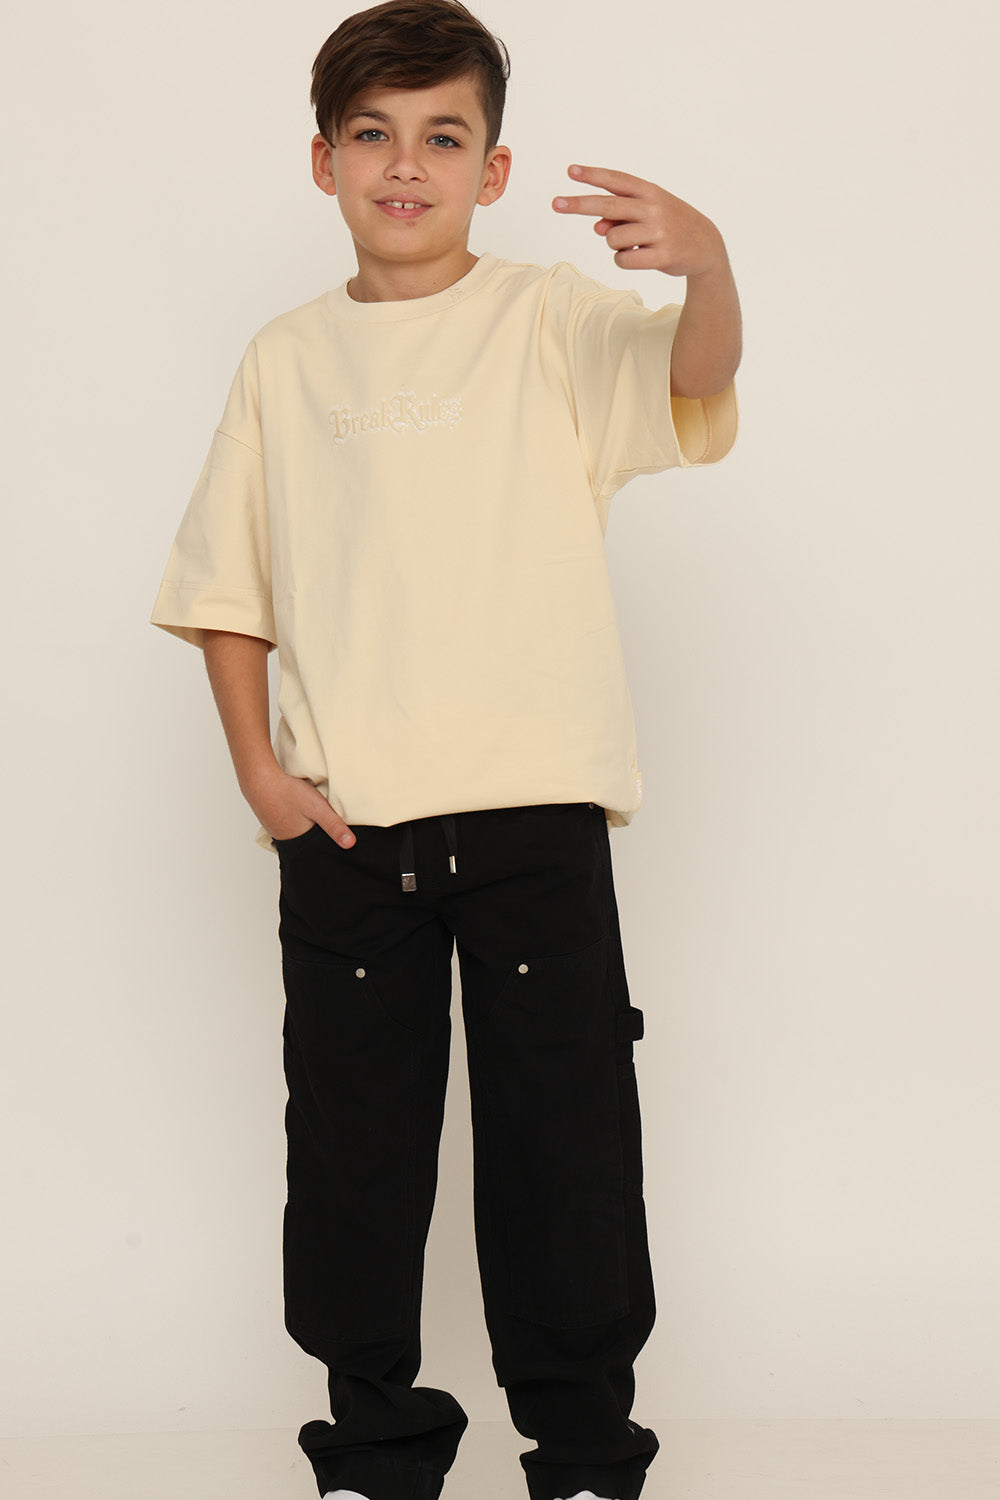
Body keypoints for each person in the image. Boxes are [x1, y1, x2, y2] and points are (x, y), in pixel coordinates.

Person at [149, 2, 741, 1498]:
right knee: (354, 1150)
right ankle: (373, 1444)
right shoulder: (285, 360)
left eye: (443, 136)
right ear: (324, 160)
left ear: (493, 168)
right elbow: (231, 586)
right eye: (374, 134)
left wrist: (710, 266)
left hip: (535, 817)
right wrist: (261, 774)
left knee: (566, 1144)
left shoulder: (548, 319)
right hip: (351, 828)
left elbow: (692, 375)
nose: (405, 164)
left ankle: (585, 1452)